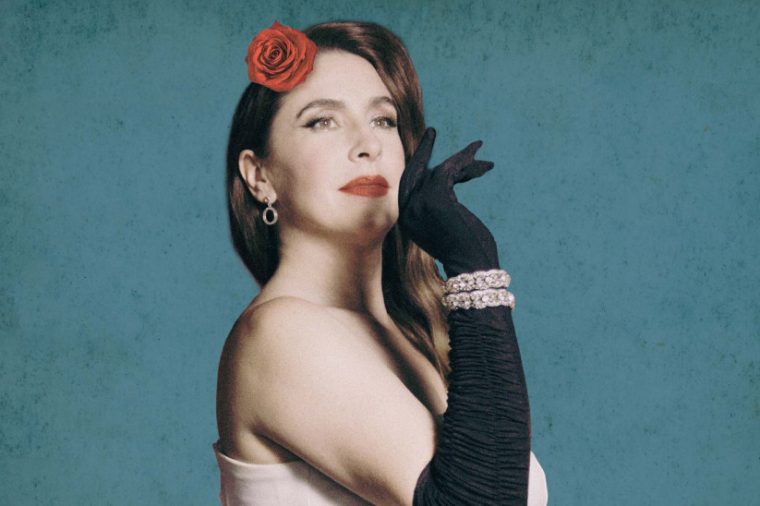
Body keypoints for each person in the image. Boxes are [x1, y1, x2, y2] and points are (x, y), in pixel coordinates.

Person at [213, 20, 548, 505]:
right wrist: (474, 267)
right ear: (259, 175)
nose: (367, 145)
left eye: (384, 120)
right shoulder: (280, 334)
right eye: (322, 121)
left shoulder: (414, 332)